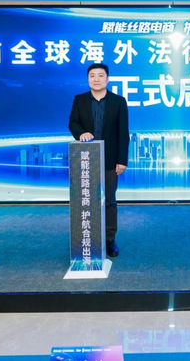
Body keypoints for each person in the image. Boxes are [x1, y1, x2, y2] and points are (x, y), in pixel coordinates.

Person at [69, 63, 130, 258]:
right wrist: (81, 133)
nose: (96, 79)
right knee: (87, 200)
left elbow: (123, 132)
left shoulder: (118, 101)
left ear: (107, 79)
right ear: (88, 79)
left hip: (111, 160)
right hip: (86, 159)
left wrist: (122, 160)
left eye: (100, 75)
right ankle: (89, 237)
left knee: (109, 200)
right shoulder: (79, 100)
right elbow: (73, 123)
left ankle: (110, 238)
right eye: (92, 75)